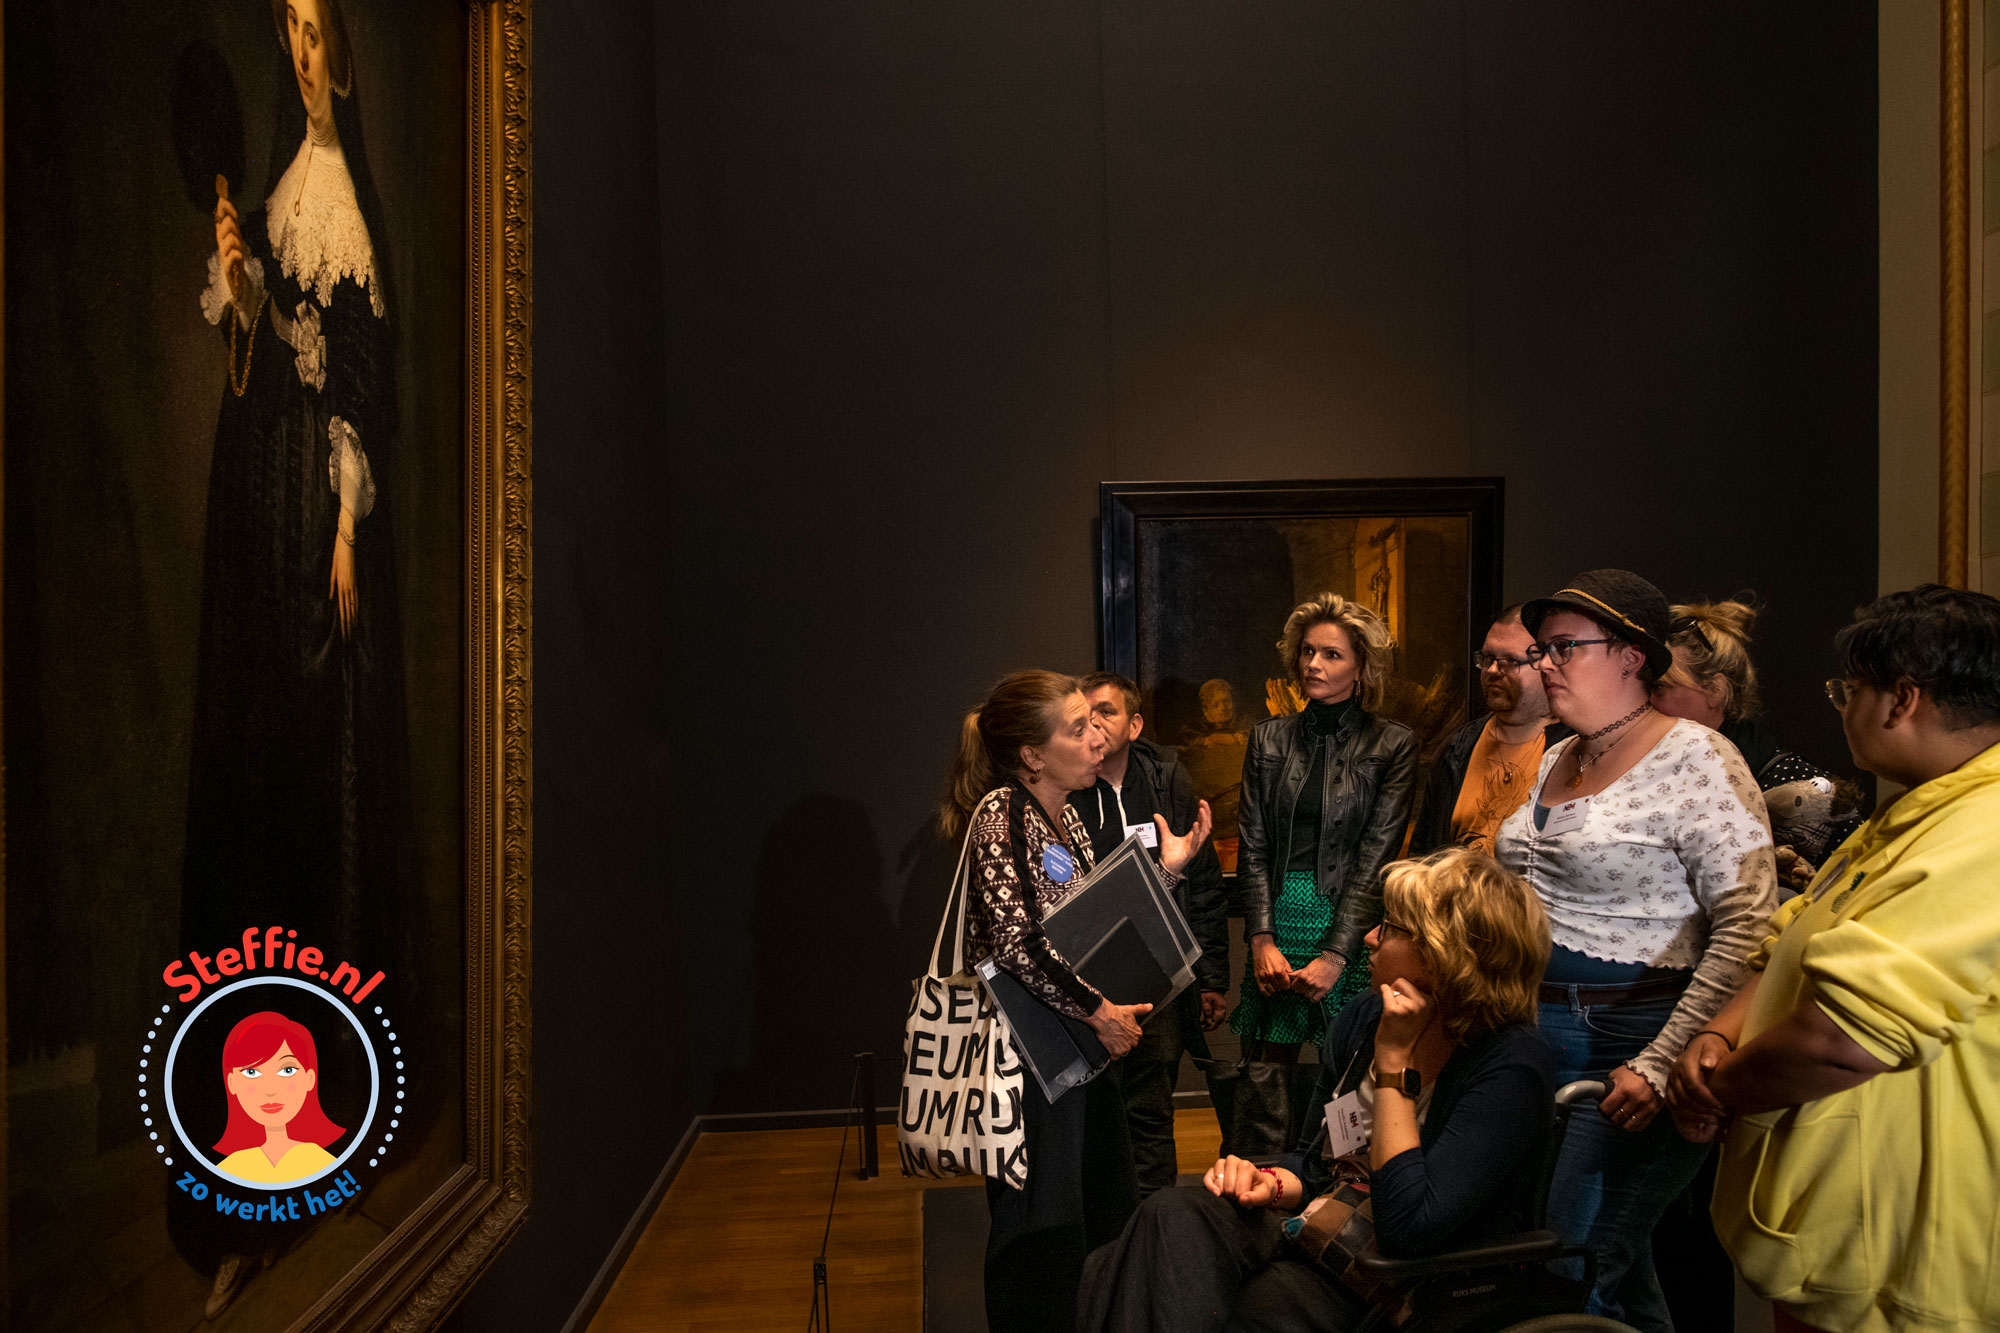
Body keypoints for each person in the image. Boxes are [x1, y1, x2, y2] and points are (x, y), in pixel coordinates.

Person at [176, 1, 410, 1314]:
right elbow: (257, 366)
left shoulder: (349, 200)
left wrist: (340, 534)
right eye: (292, 35)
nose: (305, 52)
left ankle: (319, 1114)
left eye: (320, 33)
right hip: (246, 513)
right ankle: (235, 1153)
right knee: (249, 794)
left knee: (312, 806)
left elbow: (353, 387)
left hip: (308, 528)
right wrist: (238, 291)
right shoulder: (273, 189)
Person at [1670, 585, 2000, 1333]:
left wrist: (1715, 1090)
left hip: (1905, 1257)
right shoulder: (1913, 811)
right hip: (1836, 1233)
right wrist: (1719, 1035)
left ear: (1900, 700)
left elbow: (1843, 1039)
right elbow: (1786, 938)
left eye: (1850, 690)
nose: (1842, 707)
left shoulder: (1984, 828)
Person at [1078, 848, 1556, 1333]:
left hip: (1417, 1278)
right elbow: (1316, 1161)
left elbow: (1409, 1227)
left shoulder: (1510, 1066)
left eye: (1389, 928)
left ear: (1440, 956)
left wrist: (1393, 1065)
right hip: (1325, 1224)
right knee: (1166, 1214)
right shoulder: (1364, 1017)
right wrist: (1272, 1181)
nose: (1370, 937)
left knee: (1197, 1291)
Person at [1493, 569, 1776, 1330]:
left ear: (1630, 655)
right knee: (1597, 1267)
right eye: (1540, 649)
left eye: (1562, 648)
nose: (1543, 664)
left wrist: (1662, 1060)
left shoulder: (1700, 759)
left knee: (1579, 1260)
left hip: (1630, 1038)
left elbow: (1751, 927)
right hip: (1535, 1032)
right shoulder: (1558, 755)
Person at [940, 669, 1213, 1333]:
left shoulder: (1063, 813)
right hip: (1033, 1068)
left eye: (1096, 722)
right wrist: (1098, 1010)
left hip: (1079, 1061)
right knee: (1040, 1233)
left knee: (1097, 1213)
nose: (1097, 738)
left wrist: (1167, 871)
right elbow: (1014, 944)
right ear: (1032, 754)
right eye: (1077, 727)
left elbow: (1087, 924)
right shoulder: (1000, 814)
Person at [1645, 597, 1866, 1330]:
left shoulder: (1793, 781)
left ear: (1718, 694)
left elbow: (1820, 920)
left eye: (1665, 684)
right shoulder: (1657, 763)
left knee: (1701, 1224)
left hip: (1747, 1011)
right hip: (1679, 1004)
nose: (1651, 699)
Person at [1231, 594, 1419, 1155]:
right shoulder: (1268, 738)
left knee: (1349, 1074)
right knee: (1265, 1073)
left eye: (1332, 655)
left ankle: (1328, 1195)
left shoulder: (1392, 744)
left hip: (1350, 921)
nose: (1314, 664)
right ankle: (1257, 1187)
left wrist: (1336, 956)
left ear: (1362, 667)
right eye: (1308, 652)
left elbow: (1376, 859)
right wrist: (1260, 938)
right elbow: (1253, 844)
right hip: (1279, 918)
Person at [1068, 672, 1232, 1196]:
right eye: (1085, 714)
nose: (1094, 723)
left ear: (1135, 724)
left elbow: (1202, 883)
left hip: (1159, 977)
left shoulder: (1166, 779)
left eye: (1107, 712)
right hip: (1088, 982)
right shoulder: (1067, 789)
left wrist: (1211, 978)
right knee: (1096, 1119)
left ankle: (1154, 1233)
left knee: (1153, 1115)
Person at [1653, 599, 1866, 885]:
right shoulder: (1648, 769)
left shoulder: (1797, 786)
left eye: (1660, 687)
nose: (1645, 701)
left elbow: (1855, 889)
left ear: (1715, 691)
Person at [1408, 606, 1570, 856]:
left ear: (1545, 665)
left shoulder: (1575, 748)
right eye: (1487, 659)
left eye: (1511, 661)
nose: (1492, 671)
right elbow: (1423, 851)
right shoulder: (1457, 749)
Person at [213, 1012, 346, 1186]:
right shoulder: (228, 1170)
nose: (270, 1090)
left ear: (310, 1079)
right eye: (251, 1072)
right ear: (232, 1083)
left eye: (287, 1070)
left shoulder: (325, 1166)